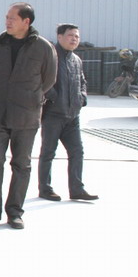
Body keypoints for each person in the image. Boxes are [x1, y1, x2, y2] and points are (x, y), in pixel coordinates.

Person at [0, 3, 57, 229]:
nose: (7, 21)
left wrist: (29, 96)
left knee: (21, 164)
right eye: (6, 17)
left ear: (26, 21)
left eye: (12, 18)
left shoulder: (43, 47)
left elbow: (48, 79)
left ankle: (15, 211)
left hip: (26, 115)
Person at [38, 24, 99, 201]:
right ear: (59, 37)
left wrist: (82, 97)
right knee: (48, 152)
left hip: (73, 116)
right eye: (70, 35)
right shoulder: (51, 57)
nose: (74, 39)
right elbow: (41, 80)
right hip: (53, 114)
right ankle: (45, 189)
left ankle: (77, 189)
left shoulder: (76, 60)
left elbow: (82, 81)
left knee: (77, 152)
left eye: (77, 36)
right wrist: (53, 97)